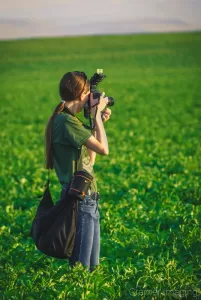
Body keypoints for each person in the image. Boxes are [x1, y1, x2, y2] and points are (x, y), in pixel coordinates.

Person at [45, 71, 111, 271]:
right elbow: (104, 149)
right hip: (80, 199)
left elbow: (90, 161)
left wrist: (95, 121)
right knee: (82, 267)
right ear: (82, 93)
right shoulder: (66, 122)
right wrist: (97, 117)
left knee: (91, 266)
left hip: (87, 197)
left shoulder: (68, 120)